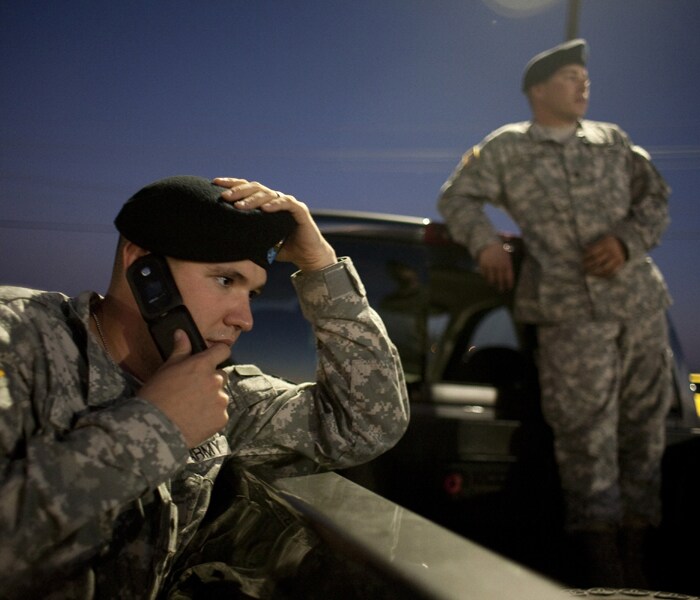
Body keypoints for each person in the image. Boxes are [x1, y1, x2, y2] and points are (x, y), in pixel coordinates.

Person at [0, 175, 409, 598]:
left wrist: (320, 265)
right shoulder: (19, 341)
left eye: (252, 293)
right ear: (142, 267)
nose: (244, 319)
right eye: (225, 281)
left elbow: (367, 422)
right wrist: (155, 427)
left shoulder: (219, 395)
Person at [437, 39, 673, 588]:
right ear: (537, 90)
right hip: (567, 314)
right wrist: (485, 244)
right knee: (584, 437)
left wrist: (627, 240)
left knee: (644, 431)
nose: (583, 84)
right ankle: (603, 571)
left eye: (584, 76)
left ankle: (641, 558)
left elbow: (655, 200)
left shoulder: (613, 141)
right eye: (570, 76)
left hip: (637, 302)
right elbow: (458, 199)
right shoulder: (506, 148)